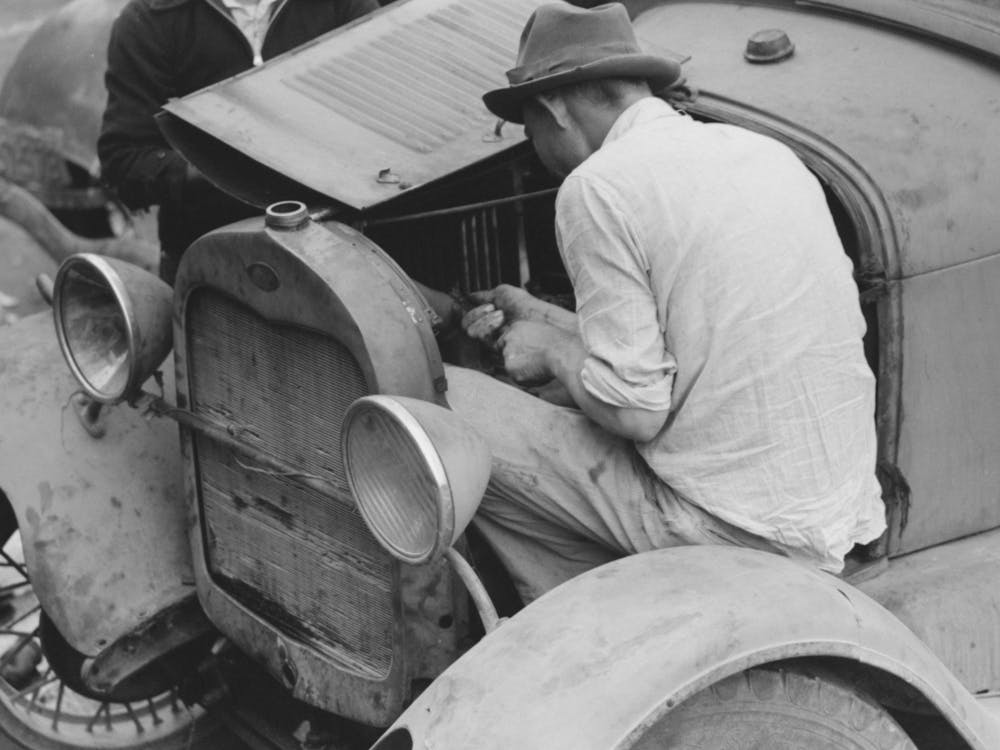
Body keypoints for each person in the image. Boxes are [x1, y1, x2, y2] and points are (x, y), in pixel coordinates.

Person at [442, 2, 886, 603]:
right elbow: (697, 339)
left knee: (448, 404)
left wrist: (549, 351)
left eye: (530, 131)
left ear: (553, 109)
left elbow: (636, 413)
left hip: (730, 526)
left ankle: (581, 612)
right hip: (831, 509)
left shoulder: (596, 187)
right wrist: (538, 313)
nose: (537, 150)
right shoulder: (761, 152)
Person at [98, 0, 379, 283]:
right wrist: (224, 167)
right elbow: (124, 161)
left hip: (341, 258)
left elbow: (388, 109)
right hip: (215, 271)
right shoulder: (151, 18)